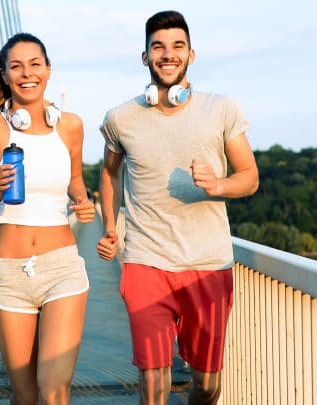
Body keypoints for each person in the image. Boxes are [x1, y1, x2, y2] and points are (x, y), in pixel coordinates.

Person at [96, 10, 259, 405]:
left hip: (207, 264)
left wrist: (217, 184)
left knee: (206, 385)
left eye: (177, 46)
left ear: (191, 54)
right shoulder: (121, 118)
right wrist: (110, 226)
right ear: (146, 56)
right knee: (153, 381)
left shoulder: (221, 109)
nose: (168, 54)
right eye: (158, 47)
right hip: (146, 262)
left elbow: (250, 177)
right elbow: (108, 173)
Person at [0, 32, 95, 404]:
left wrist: (85, 203)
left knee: (53, 392)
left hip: (62, 268)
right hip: (9, 272)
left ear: (48, 70)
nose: (27, 73)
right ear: (4, 75)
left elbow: (76, 182)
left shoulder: (70, 126)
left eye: (35, 64)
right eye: (16, 66)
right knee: (24, 394)